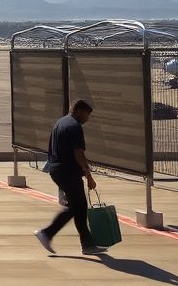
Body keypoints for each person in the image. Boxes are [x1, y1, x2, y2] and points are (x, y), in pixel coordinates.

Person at [34, 100, 106, 256]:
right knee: (76, 206)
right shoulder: (74, 127)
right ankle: (47, 233)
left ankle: (87, 244)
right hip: (67, 171)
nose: (88, 118)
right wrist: (89, 176)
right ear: (79, 111)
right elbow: (79, 154)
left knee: (79, 206)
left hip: (58, 170)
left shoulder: (61, 122)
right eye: (87, 114)